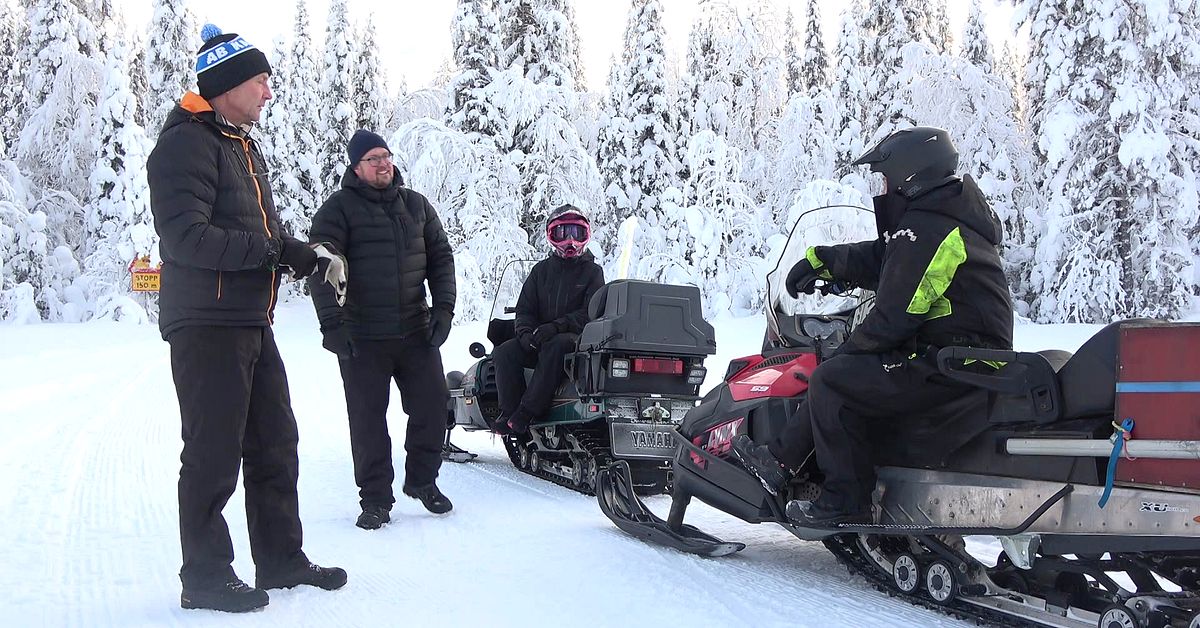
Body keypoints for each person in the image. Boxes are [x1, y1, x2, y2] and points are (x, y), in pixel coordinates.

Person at [147, 24, 346, 613]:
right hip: (207, 323)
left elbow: (262, 231)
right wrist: (269, 253)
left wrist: (302, 254)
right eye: (260, 80)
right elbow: (186, 238)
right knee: (212, 450)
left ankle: (281, 558)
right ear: (229, 84)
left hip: (250, 320)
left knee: (275, 442)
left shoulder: (238, 143)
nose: (267, 92)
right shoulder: (186, 142)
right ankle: (205, 574)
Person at [732, 127, 1014, 526]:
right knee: (843, 371)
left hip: (952, 365)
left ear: (908, 175)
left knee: (832, 379)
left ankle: (843, 499)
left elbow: (894, 316)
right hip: (962, 357)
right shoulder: (941, 219)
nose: (882, 188)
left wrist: (847, 350)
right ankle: (781, 461)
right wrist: (825, 260)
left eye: (885, 178)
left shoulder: (931, 229)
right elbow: (888, 257)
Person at [308, 129, 458, 530]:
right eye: (373, 158)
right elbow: (322, 266)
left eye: (386, 156)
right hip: (362, 337)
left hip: (415, 331)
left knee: (432, 406)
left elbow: (441, 258)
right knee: (368, 420)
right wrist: (332, 325)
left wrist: (443, 309)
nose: (383, 164)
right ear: (356, 167)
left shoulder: (417, 206)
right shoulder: (337, 210)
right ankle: (375, 499)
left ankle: (423, 481)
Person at [492, 205, 605, 435]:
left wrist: (556, 326)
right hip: (539, 337)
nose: (570, 241)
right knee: (504, 352)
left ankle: (527, 411)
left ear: (586, 237)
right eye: (562, 233)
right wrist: (525, 335)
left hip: (575, 341)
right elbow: (525, 309)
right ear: (551, 237)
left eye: (577, 233)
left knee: (557, 345)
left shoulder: (593, 273)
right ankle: (509, 410)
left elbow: (591, 312)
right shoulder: (540, 272)